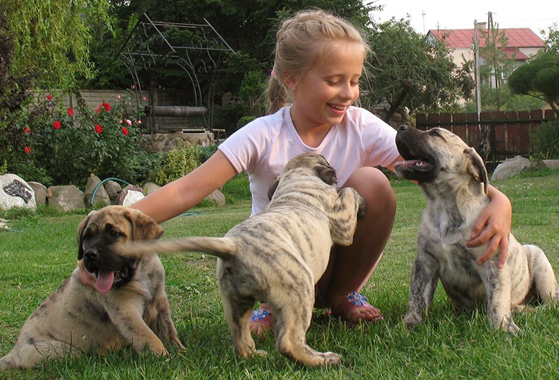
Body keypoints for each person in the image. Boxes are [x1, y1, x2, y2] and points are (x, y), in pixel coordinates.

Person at [129, 9, 513, 335]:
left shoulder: (359, 126)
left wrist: (499, 200)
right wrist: (117, 229)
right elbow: (185, 191)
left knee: (372, 182)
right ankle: (274, 303)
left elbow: (431, 169)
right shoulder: (263, 135)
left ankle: (341, 296)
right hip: (275, 264)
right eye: (334, 81)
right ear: (292, 81)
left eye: (355, 80)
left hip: (335, 264)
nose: (348, 92)